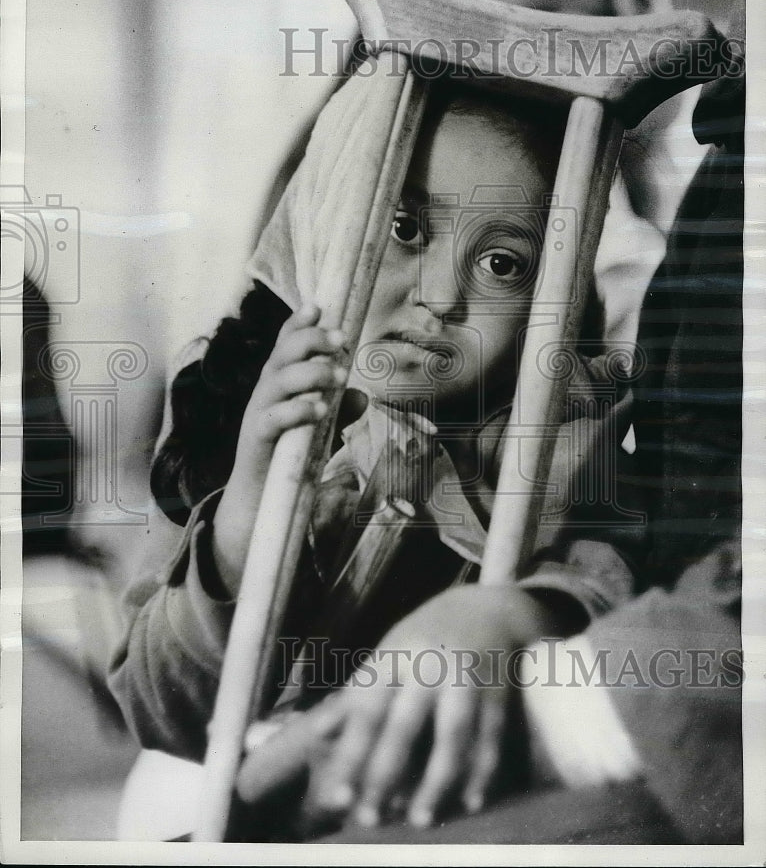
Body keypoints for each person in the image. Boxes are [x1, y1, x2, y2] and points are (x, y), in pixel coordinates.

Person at [108, 72, 649, 835]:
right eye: (405, 227)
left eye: (503, 264)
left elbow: (602, 614)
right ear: (324, 219)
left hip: (429, 794)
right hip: (225, 775)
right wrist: (248, 507)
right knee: (168, 803)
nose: (440, 298)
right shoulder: (240, 409)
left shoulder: (563, 451)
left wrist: (515, 598)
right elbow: (162, 714)